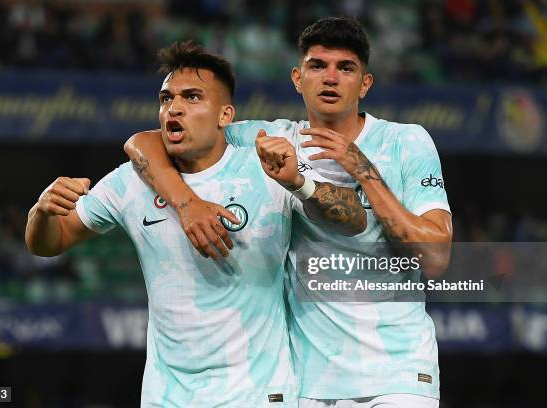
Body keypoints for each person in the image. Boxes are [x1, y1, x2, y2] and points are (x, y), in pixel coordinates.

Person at [124, 17, 452, 408]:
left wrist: (362, 171)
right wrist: (187, 204)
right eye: (318, 66)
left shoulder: (405, 142)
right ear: (297, 78)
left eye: (345, 68)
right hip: (310, 383)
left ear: (365, 84)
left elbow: (435, 257)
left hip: (398, 375)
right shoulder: (271, 140)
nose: (330, 78)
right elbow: (147, 141)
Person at [26, 41, 366, 407]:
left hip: (257, 393)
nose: (174, 108)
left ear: (225, 116)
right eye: (166, 99)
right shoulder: (131, 181)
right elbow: (49, 242)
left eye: (192, 98)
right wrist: (42, 212)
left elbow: (354, 219)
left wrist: (300, 182)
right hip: (168, 396)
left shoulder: (263, 167)